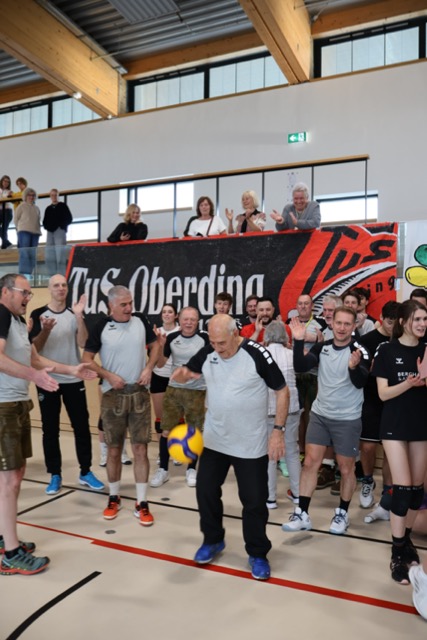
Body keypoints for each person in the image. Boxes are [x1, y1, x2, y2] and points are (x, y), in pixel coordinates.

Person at [171, 314, 289, 580]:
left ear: (236, 334)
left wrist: (278, 431)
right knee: (205, 491)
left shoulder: (257, 353)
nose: (217, 348)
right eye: (213, 342)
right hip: (216, 440)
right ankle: (213, 540)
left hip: (250, 444)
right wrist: (184, 375)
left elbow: (282, 390)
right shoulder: (209, 351)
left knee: (254, 501)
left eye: (221, 343)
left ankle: (257, 553)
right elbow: (188, 372)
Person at [0, 273, 96, 575]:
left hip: (17, 403)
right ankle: (10, 554)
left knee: (15, 476)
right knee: (9, 480)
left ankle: (5, 538)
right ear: (6, 291)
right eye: (24, 292)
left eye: (30, 293)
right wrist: (34, 377)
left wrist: (72, 370)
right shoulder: (1, 314)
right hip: (3, 405)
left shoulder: (17, 321)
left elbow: (35, 360)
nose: (28, 298)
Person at [283, 307, 370, 535]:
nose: (342, 328)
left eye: (347, 324)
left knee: (346, 467)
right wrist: (298, 341)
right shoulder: (322, 347)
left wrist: (353, 367)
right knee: (310, 463)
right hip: (320, 415)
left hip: (347, 419)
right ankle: (302, 513)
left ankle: (342, 514)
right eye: (338, 323)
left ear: (354, 326)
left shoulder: (360, 350)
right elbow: (301, 367)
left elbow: (361, 382)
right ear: (332, 324)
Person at [82, 285, 160, 525]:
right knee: (114, 450)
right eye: (123, 304)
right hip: (112, 396)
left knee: (140, 449)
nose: (129, 308)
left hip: (139, 394)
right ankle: (113, 497)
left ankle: (142, 502)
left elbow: (156, 346)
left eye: (130, 303)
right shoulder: (101, 326)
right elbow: (86, 359)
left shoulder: (140, 320)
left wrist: (148, 367)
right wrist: (108, 375)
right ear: (111, 306)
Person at [29, 274, 104, 495]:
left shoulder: (74, 314)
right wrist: (45, 330)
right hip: (48, 379)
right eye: (56, 285)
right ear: (50, 289)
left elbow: (83, 342)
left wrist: (79, 317)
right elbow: (35, 350)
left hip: (73, 379)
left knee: (81, 427)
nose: (61, 288)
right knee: (50, 429)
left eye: (64, 285)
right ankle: (55, 474)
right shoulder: (38, 314)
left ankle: (85, 472)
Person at [371, 299, 427, 584]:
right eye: (417, 319)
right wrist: (411, 381)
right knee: (402, 490)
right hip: (394, 426)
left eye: (425, 319)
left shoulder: (426, 349)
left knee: (416, 492)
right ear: (404, 322)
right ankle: (396, 554)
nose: (422, 324)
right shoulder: (387, 350)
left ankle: (405, 542)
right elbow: (383, 394)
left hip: (420, 426)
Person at [150, 306, 209, 489]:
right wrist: (160, 345)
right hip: (174, 390)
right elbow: (161, 364)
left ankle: (191, 469)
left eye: (193, 319)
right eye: (185, 319)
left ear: (197, 321)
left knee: (194, 432)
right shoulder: (172, 338)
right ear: (180, 320)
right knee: (166, 430)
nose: (189, 323)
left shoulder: (205, 338)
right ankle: (163, 469)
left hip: (197, 391)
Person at [357, 301, 399, 510]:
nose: (393, 327)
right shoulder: (367, 340)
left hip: (395, 400)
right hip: (371, 399)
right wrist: (369, 369)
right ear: (381, 318)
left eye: (397, 323)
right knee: (367, 446)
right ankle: (367, 481)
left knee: (391, 449)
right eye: (390, 322)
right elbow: (358, 372)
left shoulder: (403, 340)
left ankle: (388, 491)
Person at [264, 321, 301, 507]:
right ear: (285, 337)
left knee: (269, 455)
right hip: (291, 409)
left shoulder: (261, 354)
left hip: (267, 410)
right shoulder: (292, 354)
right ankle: (298, 494)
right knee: (292, 452)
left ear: (266, 337)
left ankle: (270, 498)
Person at [149, 303, 179, 464]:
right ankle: (163, 452)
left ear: (175, 315)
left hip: (176, 379)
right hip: (158, 377)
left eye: (170, 312)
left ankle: (176, 450)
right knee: (161, 418)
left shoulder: (181, 331)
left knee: (177, 417)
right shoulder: (156, 332)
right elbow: (152, 357)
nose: (167, 314)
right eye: (164, 312)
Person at [43, 189, 73, 275]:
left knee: (60, 252)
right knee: (49, 253)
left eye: (55, 195)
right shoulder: (48, 208)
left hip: (59, 230)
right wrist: (47, 227)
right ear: (50, 196)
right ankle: (52, 274)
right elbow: (45, 221)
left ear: (58, 196)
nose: (54, 197)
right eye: (52, 195)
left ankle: (61, 274)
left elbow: (69, 218)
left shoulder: (63, 206)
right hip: (50, 232)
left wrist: (61, 225)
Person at [14, 187, 42, 277]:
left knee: (33, 255)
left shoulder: (36, 208)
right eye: (29, 195)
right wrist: (19, 229)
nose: (31, 197)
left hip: (35, 233)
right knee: (24, 253)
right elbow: (16, 219)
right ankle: (24, 275)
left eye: (33, 195)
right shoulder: (21, 206)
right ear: (25, 196)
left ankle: (30, 274)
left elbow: (38, 220)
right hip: (24, 232)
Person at [0, 174, 13, 249]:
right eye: (5, 181)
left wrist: (10, 196)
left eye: (8, 182)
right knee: (3, 230)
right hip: (0, 211)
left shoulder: (9, 192)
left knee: (4, 229)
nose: (6, 183)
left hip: (7, 211)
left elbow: (11, 201)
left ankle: (4, 245)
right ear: (1, 181)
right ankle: (6, 242)